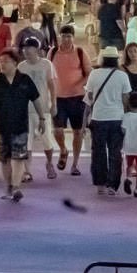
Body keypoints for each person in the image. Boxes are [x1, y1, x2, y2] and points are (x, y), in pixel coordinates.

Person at [0, 48, 42, 202]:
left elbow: (36, 99)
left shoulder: (25, 80)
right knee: (5, 159)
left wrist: (42, 118)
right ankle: (9, 186)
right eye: (1, 61)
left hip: (20, 126)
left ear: (15, 63)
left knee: (18, 158)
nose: (2, 64)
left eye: (6, 61)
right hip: (1, 126)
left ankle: (16, 187)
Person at [84, 46, 132, 196]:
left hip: (98, 117)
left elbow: (89, 96)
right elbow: (126, 99)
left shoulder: (94, 74)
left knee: (98, 152)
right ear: (116, 60)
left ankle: (100, 183)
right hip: (117, 118)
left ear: (103, 59)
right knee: (115, 152)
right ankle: (113, 184)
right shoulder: (122, 76)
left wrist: (86, 117)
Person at [50, 24, 90, 177]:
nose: (66, 39)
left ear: (73, 38)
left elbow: (88, 73)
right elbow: (48, 72)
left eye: (69, 36)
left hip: (77, 98)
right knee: (58, 130)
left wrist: (80, 84)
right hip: (58, 97)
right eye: (63, 36)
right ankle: (63, 150)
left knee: (78, 132)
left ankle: (75, 164)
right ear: (59, 37)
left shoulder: (80, 52)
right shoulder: (53, 52)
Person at [18, 38, 59, 180]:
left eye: (29, 48)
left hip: (43, 109)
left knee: (47, 140)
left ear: (37, 49)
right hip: (25, 110)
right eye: (24, 48)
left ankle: (49, 163)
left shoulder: (46, 65)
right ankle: (27, 171)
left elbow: (52, 85)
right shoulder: (21, 67)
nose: (26, 50)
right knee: (26, 143)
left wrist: (54, 104)